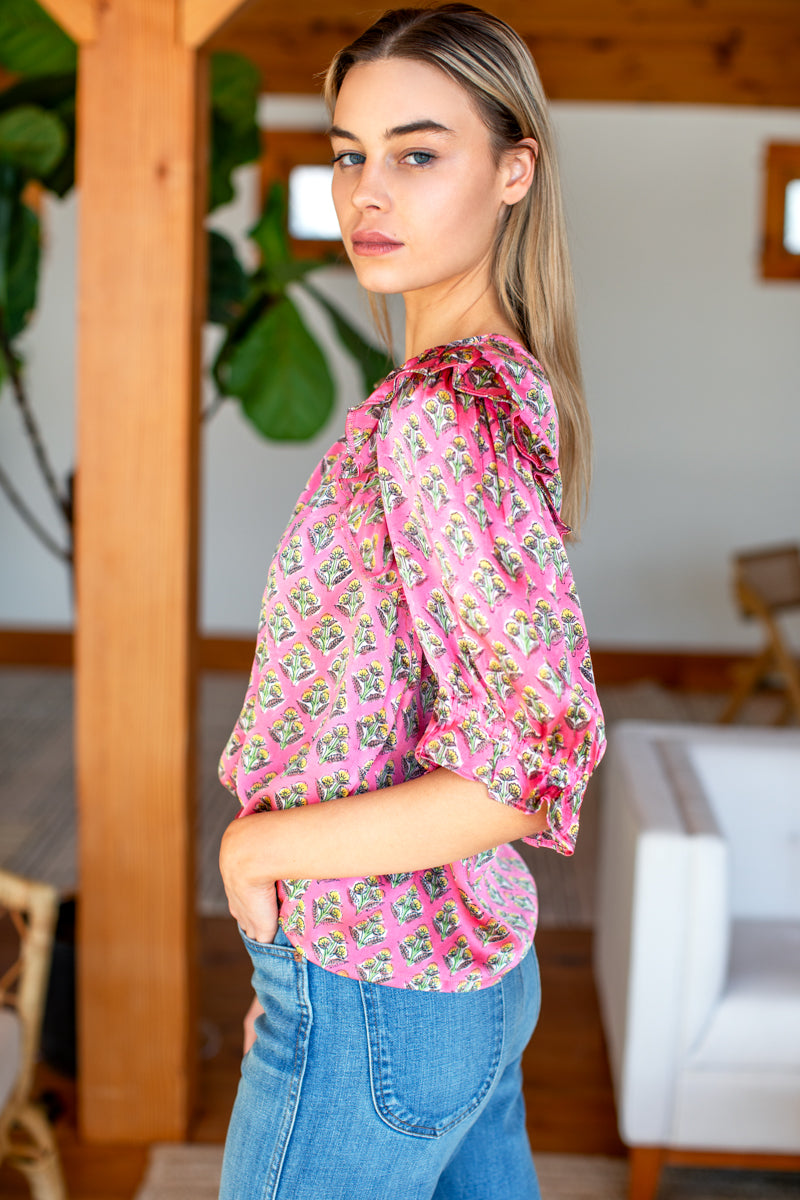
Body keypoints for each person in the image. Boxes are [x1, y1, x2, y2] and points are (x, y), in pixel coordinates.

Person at [217, 6, 605, 1198]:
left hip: (377, 985)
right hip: (441, 963)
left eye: (417, 152)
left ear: (512, 169)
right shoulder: (483, 388)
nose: (367, 192)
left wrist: (258, 846)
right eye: (349, 154)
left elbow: (528, 757)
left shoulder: (439, 415)